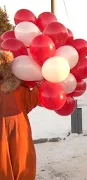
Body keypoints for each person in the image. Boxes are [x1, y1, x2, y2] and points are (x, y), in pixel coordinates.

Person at [0, 50, 39, 180]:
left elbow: (30, 101)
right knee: (21, 158)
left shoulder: (18, 87)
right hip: (18, 128)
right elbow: (31, 101)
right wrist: (41, 84)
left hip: (16, 128)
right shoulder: (18, 87)